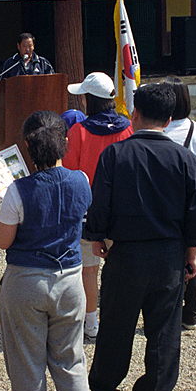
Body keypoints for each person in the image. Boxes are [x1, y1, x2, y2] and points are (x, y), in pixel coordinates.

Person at [0, 111, 105, 391]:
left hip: (26, 279)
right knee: (71, 355)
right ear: (64, 143)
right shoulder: (81, 179)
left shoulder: (19, 190)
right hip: (69, 279)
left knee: (26, 360)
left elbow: (4, 240)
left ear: (27, 149)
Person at [84, 83, 196, 391]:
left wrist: (97, 238)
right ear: (168, 120)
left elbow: (100, 203)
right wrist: (192, 253)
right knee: (164, 332)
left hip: (125, 254)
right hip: (169, 254)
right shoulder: (184, 158)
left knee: (115, 329)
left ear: (134, 114)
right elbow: (193, 211)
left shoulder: (115, 155)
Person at [63, 71, 133, 339]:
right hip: (122, 209)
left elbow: (70, 173)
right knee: (120, 271)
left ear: (90, 100)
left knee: (89, 271)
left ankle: (91, 323)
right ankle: (119, 322)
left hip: (88, 211)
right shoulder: (128, 127)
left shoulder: (78, 131)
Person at [162, 77, 196, 329]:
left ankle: (167, 310)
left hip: (164, 197)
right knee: (192, 251)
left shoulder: (162, 129)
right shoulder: (195, 128)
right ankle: (191, 313)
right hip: (190, 193)